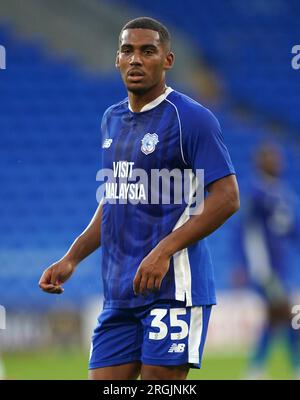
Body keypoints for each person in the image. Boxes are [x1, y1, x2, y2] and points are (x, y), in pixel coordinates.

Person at [39, 17, 239, 380]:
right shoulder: (111, 119)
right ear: (117, 59)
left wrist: (164, 251)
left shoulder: (192, 119)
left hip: (172, 289)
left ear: (168, 60)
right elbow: (116, 198)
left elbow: (227, 198)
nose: (136, 59)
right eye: (127, 51)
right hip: (119, 293)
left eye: (148, 51)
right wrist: (73, 256)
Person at [234, 143, 300, 379]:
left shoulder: (282, 191)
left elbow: (292, 231)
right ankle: (292, 367)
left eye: (279, 158)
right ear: (260, 162)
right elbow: (244, 231)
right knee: (291, 316)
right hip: (265, 268)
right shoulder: (254, 192)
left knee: (276, 320)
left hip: (284, 268)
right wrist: (242, 264)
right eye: (272, 158)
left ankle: (255, 370)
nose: (278, 162)